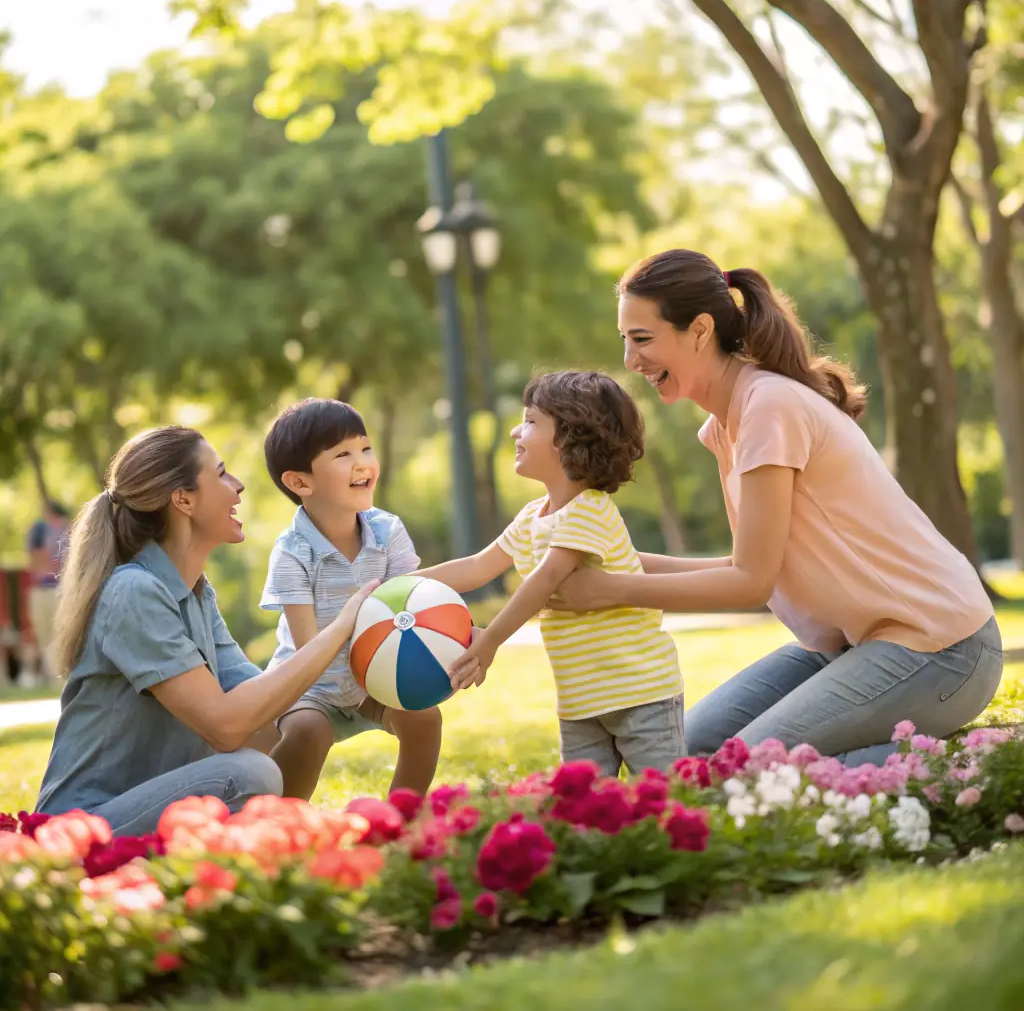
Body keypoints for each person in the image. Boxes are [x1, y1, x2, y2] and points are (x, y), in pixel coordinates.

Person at [550, 249, 1002, 767]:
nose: (631, 361)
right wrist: (609, 559)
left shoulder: (770, 407)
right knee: (685, 758)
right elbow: (748, 563)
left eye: (643, 339)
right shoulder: (726, 426)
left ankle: (960, 768)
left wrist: (611, 590)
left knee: (741, 772)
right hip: (854, 645)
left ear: (699, 330)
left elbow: (750, 582)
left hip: (942, 647)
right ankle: (885, 755)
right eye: (625, 341)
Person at [36, 425, 379, 835]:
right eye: (220, 474)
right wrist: (340, 628)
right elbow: (227, 725)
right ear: (182, 499)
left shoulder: (195, 594)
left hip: (144, 806)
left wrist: (367, 692)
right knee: (250, 773)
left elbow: (263, 711)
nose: (237, 487)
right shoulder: (133, 591)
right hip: (83, 823)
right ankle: (272, 845)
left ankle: (276, 851)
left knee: (292, 733)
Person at [440, 370, 685, 777]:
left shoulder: (589, 508)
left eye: (531, 422)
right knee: (583, 810)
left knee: (669, 800)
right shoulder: (532, 516)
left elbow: (547, 578)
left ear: (570, 437)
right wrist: (401, 582)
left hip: (641, 694)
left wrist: (491, 642)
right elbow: (476, 567)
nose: (517, 432)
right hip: (580, 702)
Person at [259, 398, 442, 800]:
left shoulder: (387, 531)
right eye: (343, 454)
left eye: (365, 448)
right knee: (307, 732)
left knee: (424, 717)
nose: (362, 463)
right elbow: (309, 651)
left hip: (372, 676)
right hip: (310, 687)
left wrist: (458, 635)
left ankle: (400, 817)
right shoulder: (292, 553)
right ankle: (282, 824)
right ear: (301, 483)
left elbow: (409, 606)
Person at [26, 500, 70, 684]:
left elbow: (41, 559)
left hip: (57, 589)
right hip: (44, 588)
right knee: (45, 634)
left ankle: (59, 676)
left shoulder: (65, 531)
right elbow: (36, 558)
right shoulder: (39, 529)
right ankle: (53, 675)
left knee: (58, 632)